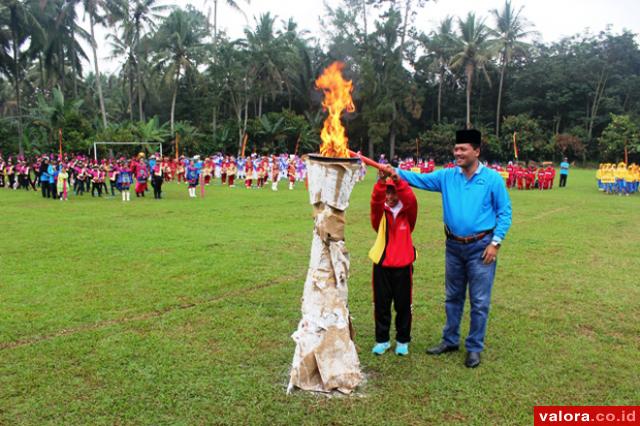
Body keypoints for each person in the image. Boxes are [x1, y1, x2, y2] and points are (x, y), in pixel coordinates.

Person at [388, 128, 512, 368]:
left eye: (463, 149)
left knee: (479, 301)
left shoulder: (493, 180)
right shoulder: (447, 176)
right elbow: (419, 180)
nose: (458, 153)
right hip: (454, 246)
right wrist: (395, 172)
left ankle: (474, 347)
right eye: (456, 149)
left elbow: (505, 212)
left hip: (482, 248)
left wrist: (495, 243)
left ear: (476, 151)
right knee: (453, 297)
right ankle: (450, 340)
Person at [369, 170, 418, 356]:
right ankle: (382, 340)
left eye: (394, 192)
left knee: (404, 305)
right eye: (387, 192)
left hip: (404, 266)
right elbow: (375, 200)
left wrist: (399, 182)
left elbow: (411, 200)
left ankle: (402, 340)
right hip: (381, 265)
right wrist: (382, 181)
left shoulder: (408, 213)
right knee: (381, 305)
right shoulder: (380, 213)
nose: (390, 196)